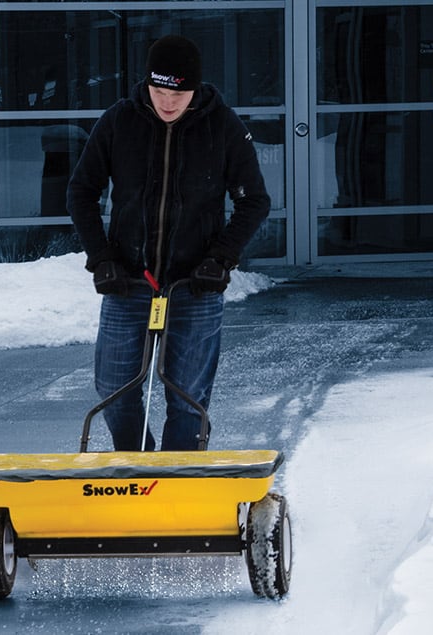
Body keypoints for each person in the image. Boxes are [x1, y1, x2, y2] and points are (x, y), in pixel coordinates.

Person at [66, 34, 271, 451]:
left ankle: (178, 482)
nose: (168, 103)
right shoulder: (119, 121)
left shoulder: (223, 126)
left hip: (195, 286)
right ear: (147, 85)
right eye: (159, 91)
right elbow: (80, 192)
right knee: (113, 388)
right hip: (128, 282)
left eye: (178, 93)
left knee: (187, 398)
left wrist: (220, 259)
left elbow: (254, 202)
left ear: (195, 88)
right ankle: (136, 466)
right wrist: (101, 257)